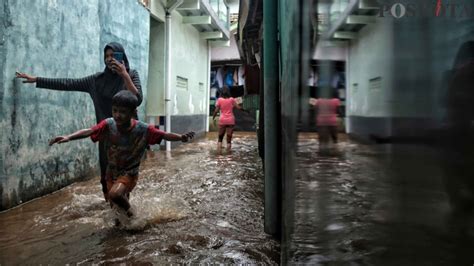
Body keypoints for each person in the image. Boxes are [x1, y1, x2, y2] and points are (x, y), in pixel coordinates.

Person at [16, 42, 142, 200]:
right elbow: (68, 83)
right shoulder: (96, 80)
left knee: (123, 177)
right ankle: (115, 211)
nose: (109, 59)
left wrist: (124, 74)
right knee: (106, 177)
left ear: (121, 57)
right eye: (106, 56)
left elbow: (137, 99)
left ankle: (125, 214)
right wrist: (37, 80)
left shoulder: (131, 75)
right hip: (106, 135)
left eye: (113, 55)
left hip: (128, 136)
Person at [49, 90, 195, 220]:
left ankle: (134, 215)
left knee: (115, 195)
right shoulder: (108, 124)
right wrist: (69, 137)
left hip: (129, 173)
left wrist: (181, 137)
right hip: (111, 173)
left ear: (132, 112)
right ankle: (124, 235)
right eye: (115, 110)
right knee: (116, 214)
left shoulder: (142, 129)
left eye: (122, 112)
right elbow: (90, 131)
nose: (117, 115)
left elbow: (164, 135)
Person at [212, 86, 242, 152]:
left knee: (220, 139)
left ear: (221, 92)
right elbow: (239, 108)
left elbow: (216, 110)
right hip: (230, 121)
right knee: (229, 140)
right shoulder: (232, 99)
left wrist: (213, 117)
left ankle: (218, 154)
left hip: (222, 121)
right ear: (228, 92)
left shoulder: (219, 100)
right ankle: (228, 156)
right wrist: (244, 109)